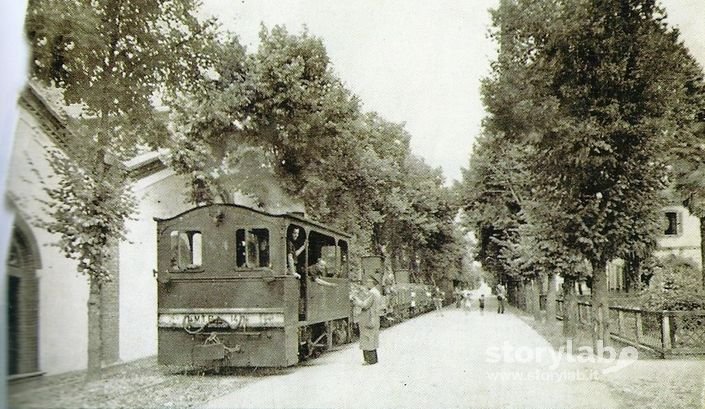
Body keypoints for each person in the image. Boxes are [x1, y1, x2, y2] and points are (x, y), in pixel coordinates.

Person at [350, 275, 383, 365]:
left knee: (367, 338)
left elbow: (365, 305)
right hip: (374, 317)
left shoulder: (372, 293)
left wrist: (355, 299)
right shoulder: (377, 292)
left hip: (368, 318)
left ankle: (369, 360)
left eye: (368, 282)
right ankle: (374, 359)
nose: (367, 283)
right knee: (372, 338)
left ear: (372, 283)